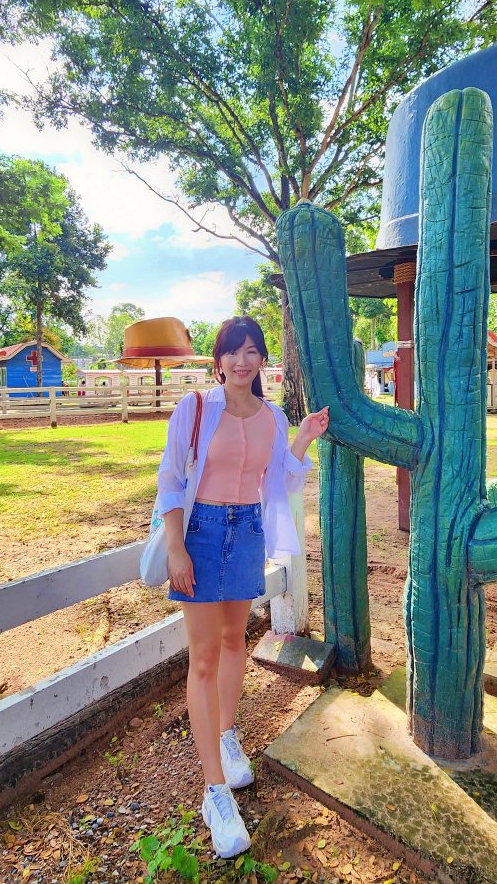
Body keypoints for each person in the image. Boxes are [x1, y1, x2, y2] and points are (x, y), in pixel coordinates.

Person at [154, 316, 329, 859]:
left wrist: (302, 438)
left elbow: (280, 478)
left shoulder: (272, 415)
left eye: (253, 351)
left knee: (235, 643)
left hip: (248, 531)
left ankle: (228, 737)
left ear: (262, 361)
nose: (243, 361)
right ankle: (214, 793)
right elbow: (170, 478)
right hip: (202, 534)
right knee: (202, 658)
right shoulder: (196, 408)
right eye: (234, 352)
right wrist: (177, 547)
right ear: (219, 360)